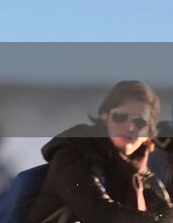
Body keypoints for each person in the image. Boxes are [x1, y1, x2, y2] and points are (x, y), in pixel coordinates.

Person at [27, 79, 173, 222]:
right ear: (105, 117)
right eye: (120, 117)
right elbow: (96, 212)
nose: (130, 127)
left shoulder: (140, 173)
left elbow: (165, 213)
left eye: (140, 122)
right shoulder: (74, 155)